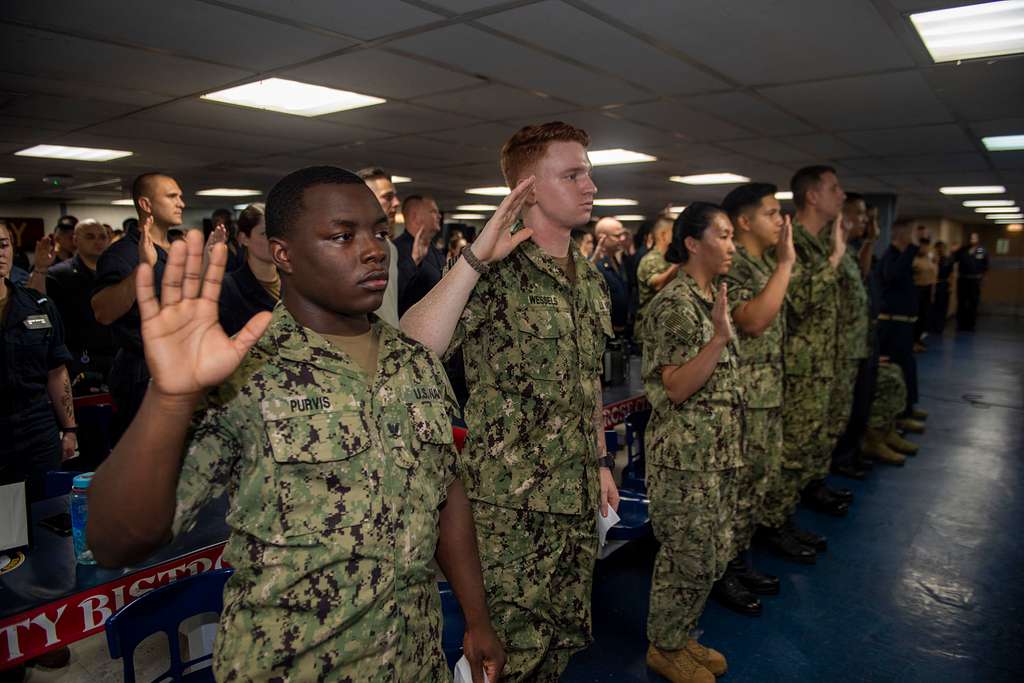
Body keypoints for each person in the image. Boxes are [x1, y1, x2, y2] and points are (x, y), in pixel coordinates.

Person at [86, 166, 505, 682]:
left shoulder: (414, 363)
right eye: (342, 236)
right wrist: (169, 397)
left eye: (378, 231)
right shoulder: (243, 372)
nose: (375, 249)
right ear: (282, 253)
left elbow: (447, 490)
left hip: (415, 660)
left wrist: (476, 616)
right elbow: (114, 541)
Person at [401, 121, 619, 682]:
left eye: (589, 171)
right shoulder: (494, 273)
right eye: (573, 174)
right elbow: (414, 343)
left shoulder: (590, 281)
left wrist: (599, 464)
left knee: (562, 641)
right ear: (527, 188)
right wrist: (474, 259)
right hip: (510, 512)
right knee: (504, 657)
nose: (590, 184)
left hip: (573, 499)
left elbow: (587, 382)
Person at [640, 202, 738, 682]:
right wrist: (718, 339)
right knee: (686, 555)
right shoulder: (675, 305)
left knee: (711, 553)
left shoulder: (709, 296)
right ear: (694, 243)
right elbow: (676, 386)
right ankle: (664, 646)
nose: (732, 246)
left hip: (715, 454)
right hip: (685, 459)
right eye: (723, 235)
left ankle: (684, 634)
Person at [719, 184, 803, 599]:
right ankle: (724, 569)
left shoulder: (763, 264)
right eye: (771, 213)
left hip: (767, 394)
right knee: (737, 490)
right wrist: (786, 264)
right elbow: (751, 321)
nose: (781, 221)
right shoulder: (732, 267)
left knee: (758, 484)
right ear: (744, 221)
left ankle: (740, 559)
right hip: (743, 400)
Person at [92, 172, 182, 438]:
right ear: (145, 204)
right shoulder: (122, 255)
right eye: (172, 196)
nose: (181, 203)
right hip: (144, 372)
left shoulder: (175, 249)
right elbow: (103, 311)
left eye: (181, 196)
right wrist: (144, 267)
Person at [783, 165, 850, 522]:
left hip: (824, 359)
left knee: (815, 438)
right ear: (812, 195)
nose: (842, 195)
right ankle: (778, 520)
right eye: (834, 188)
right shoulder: (790, 240)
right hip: (800, 365)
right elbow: (800, 299)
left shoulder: (823, 241)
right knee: (794, 446)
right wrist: (836, 258)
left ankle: (805, 496)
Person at [0, 219, 77, 503]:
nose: (0, 253)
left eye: (4, 244)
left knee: (44, 511)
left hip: (36, 429)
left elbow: (56, 371)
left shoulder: (37, 305)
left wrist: (69, 429)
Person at [828, 194, 877, 481]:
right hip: (840, 347)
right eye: (860, 214)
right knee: (837, 413)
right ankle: (839, 461)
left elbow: (862, 276)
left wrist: (870, 240)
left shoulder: (846, 251)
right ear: (845, 217)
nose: (865, 220)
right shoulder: (831, 252)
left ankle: (844, 457)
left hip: (855, 344)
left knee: (852, 408)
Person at [45, 218, 116, 384]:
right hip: (79, 357)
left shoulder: (115, 272)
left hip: (114, 354)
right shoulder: (59, 275)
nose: (98, 242)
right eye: (90, 237)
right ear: (75, 240)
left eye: (102, 237)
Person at [878, 220, 927, 428]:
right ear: (901, 235)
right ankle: (898, 415)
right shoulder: (891, 257)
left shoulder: (901, 257)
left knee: (908, 368)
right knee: (898, 370)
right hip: (893, 326)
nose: (915, 240)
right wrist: (913, 248)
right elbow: (892, 275)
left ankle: (907, 408)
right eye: (912, 235)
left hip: (904, 325)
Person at [217, 203, 279, 337]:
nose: (274, 240)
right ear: (244, 239)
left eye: (278, 232)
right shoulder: (228, 287)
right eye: (265, 233)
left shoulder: (296, 282)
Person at [356, 167, 403, 328]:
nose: (396, 203)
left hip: (389, 342)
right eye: (388, 197)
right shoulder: (349, 249)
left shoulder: (390, 247)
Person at [395, 194, 445, 317]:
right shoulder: (396, 250)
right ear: (415, 217)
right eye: (433, 211)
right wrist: (413, 263)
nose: (439, 216)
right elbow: (392, 292)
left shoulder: (435, 251)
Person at [636, 214, 680, 328]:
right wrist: (678, 264)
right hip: (649, 325)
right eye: (674, 232)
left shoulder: (667, 259)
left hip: (663, 322)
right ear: (664, 235)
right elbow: (658, 285)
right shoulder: (651, 259)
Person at [593, 216, 634, 337]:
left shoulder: (617, 260)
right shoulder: (595, 264)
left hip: (621, 329)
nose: (622, 239)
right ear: (602, 237)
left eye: (622, 235)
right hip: (604, 332)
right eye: (617, 236)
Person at [954, 232, 988, 332]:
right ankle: (961, 324)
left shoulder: (980, 250)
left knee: (973, 303)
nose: (972, 240)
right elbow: (955, 259)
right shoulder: (962, 250)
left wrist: (983, 277)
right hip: (963, 279)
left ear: (977, 239)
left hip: (975, 280)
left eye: (974, 238)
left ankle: (971, 325)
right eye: (970, 238)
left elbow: (984, 265)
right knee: (961, 302)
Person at [911, 235, 936, 349]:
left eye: (926, 246)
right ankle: (912, 341)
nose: (924, 249)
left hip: (927, 288)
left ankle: (918, 339)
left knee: (924, 316)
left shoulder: (929, 259)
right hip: (917, 289)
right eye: (922, 246)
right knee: (916, 316)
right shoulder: (913, 259)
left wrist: (932, 293)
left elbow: (933, 275)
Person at [930, 240, 954, 334]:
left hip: (943, 284)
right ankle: (932, 326)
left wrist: (951, 286)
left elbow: (951, 274)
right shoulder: (932, 259)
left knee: (942, 307)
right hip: (933, 284)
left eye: (942, 248)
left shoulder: (948, 260)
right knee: (933, 307)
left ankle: (940, 327)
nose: (940, 250)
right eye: (938, 248)